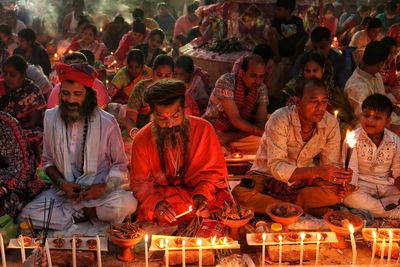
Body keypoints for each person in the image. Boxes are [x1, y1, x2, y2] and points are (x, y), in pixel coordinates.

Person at [19, 63, 137, 230]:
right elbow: (47, 162)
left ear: (88, 96)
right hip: (63, 195)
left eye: (77, 94)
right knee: (27, 215)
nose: (71, 100)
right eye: (66, 93)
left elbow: (120, 164)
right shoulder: (51, 117)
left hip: (99, 193)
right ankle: (81, 216)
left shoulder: (107, 122)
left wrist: (103, 188)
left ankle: (84, 214)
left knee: (127, 204)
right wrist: (62, 184)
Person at [232, 78, 353, 216]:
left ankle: (280, 208)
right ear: (297, 101)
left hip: (303, 180)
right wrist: (317, 171)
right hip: (266, 176)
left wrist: (338, 177)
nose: (320, 108)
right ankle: (299, 208)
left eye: (324, 101)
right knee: (241, 194)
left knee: (337, 193)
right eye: (314, 101)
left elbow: (328, 165)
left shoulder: (330, 123)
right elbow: (276, 167)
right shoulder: (279, 119)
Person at [130, 79, 229, 224]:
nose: (169, 124)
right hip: (163, 198)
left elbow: (213, 175)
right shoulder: (141, 139)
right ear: (152, 114)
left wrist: (201, 195)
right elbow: (140, 183)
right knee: (141, 207)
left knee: (218, 202)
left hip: (195, 194)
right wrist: (156, 203)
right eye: (161, 118)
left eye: (175, 116)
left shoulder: (204, 129)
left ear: (184, 109)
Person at [344, 94, 400, 219]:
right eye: (366, 115)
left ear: (388, 121)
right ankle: (391, 212)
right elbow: (351, 169)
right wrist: (350, 186)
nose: (370, 120)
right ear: (361, 116)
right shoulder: (353, 138)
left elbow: (397, 171)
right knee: (349, 198)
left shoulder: (395, 140)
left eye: (377, 117)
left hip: (386, 185)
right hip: (361, 185)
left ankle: (379, 210)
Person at [203, 55, 268, 154]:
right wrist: (264, 133)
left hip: (237, 134)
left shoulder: (261, 88)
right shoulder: (226, 81)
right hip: (214, 130)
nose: (258, 81)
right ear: (242, 73)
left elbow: (261, 124)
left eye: (261, 76)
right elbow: (236, 121)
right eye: (253, 76)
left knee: (264, 147)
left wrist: (230, 136)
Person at [126, 54, 199, 137]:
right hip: (144, 132)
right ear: (152, 73)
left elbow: (189, 119)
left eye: (167, 76)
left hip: (172, 133)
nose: (163, 80)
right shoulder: (141, 88)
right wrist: (136, 134)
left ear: (173, 75)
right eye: (159, 75)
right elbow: (130, 119)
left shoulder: (178, 90)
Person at [284, 52, 355, 129]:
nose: (311, 74)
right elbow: (288, 112)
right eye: (308, 71)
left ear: (323, 69)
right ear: (302, 71)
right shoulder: (293, 88)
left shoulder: (331, 89)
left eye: (315, 70)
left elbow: (345, 114)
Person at [345, 41, 400, 128]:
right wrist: (393, 129)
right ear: (380, 64)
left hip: (388, 119)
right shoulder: (356, 86)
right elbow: (366, 119)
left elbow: (382, 101)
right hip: (370, 127)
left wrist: (393, 108)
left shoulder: (375, 74)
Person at [0, 55, 46, 160]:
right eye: (5, 73)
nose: (7, 77)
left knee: (37, 136)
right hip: (2, 127)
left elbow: (33, 121)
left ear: (23, 75)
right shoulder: (1, 86)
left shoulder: (32, 90)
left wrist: (13, 129)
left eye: (12, 74)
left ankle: (31, 166)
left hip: (24, 127)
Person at [0, 111, 45, 218]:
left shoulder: (6, 124)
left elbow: (23, 169)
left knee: (4, 204)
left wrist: (3, 187)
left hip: (14, 185)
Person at [267, 0, 308, 102]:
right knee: (271, 31)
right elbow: (273, 34)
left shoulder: (297, 21)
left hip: (293, 48)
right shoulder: (277, 21)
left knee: (304, 36)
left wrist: (296, 52)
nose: (277, 12)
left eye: (279, 9)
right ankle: (277, 56)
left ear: (288, 10)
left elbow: (301, 37)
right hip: (281, 46)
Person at [291, 26, 350, 91]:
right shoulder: (303, 58)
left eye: (322, 47)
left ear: (330, 42)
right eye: (315, 48)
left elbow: (342, 86)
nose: (318, 51)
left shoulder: (339, 60)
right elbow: (294, 80)